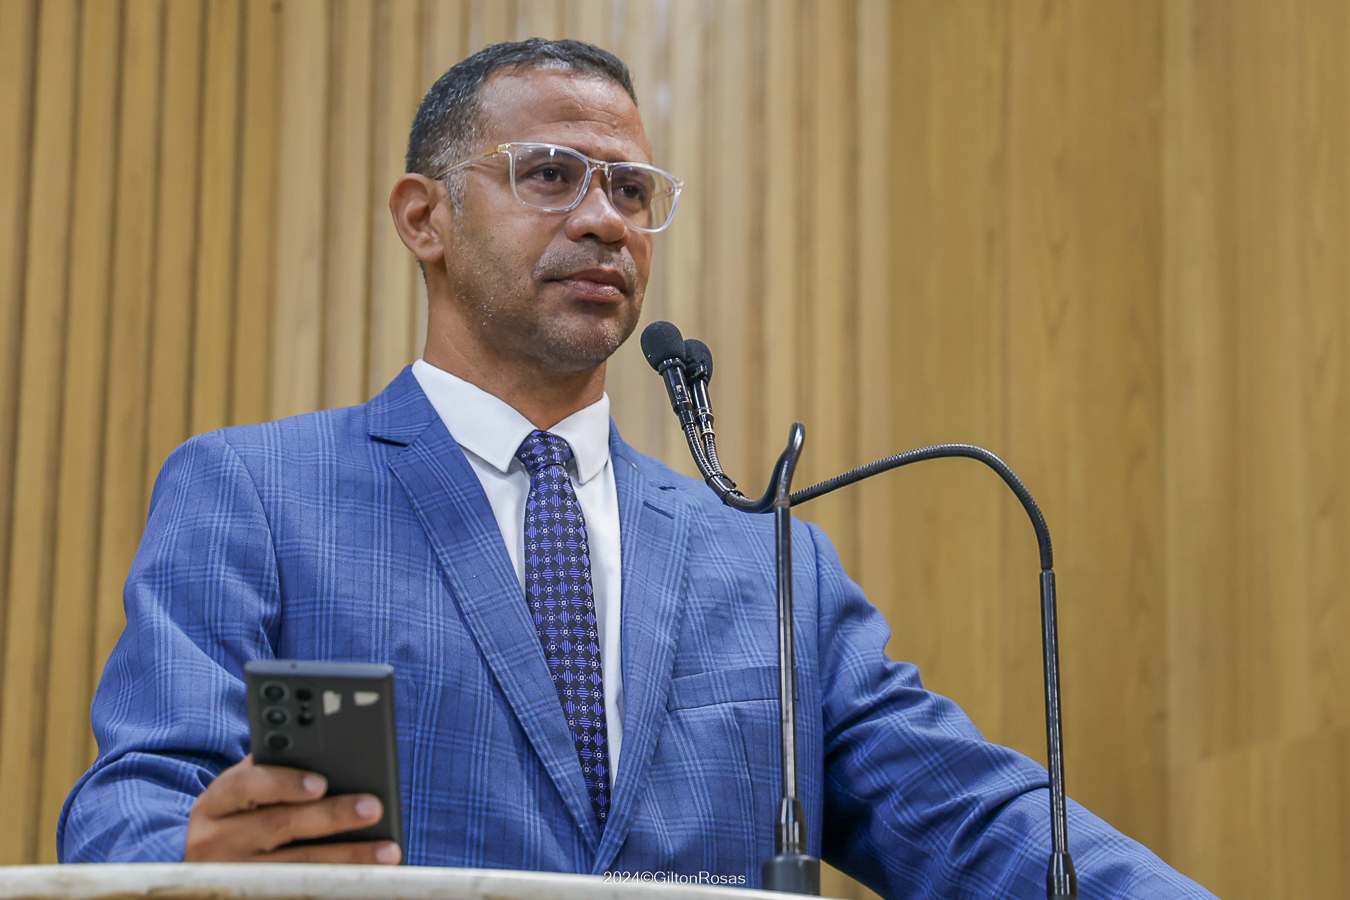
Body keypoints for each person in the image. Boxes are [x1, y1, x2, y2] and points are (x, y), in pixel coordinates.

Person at [58, 39, 1215, 899]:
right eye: (550, 174)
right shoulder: (255, 495)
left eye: (630, 190)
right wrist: (189, 859)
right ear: (424, 218)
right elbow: (127, 818)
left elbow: (964, 815)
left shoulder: (770, 563)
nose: (607, 220)